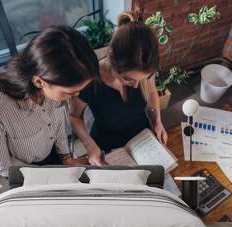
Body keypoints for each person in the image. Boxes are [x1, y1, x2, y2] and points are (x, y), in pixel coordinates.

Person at [0, 25, 99, 177]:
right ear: (39, 82)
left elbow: (58, 125)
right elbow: (0, 166)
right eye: (70, 92)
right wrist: (48, 176)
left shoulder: (53, 90)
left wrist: (66, 158)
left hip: (52, 155)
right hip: (22, 172)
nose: (75, 96)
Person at [69, 9, 168, 166]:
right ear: (111, 57)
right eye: (128, 79)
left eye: (141, 79)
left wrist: (157, 121)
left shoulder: (143, 68)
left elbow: (152, 92)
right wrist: (90, 146)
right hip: (107, 146)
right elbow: (74, 117)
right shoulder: (90, 79)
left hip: (141, 139)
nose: (136, 85)